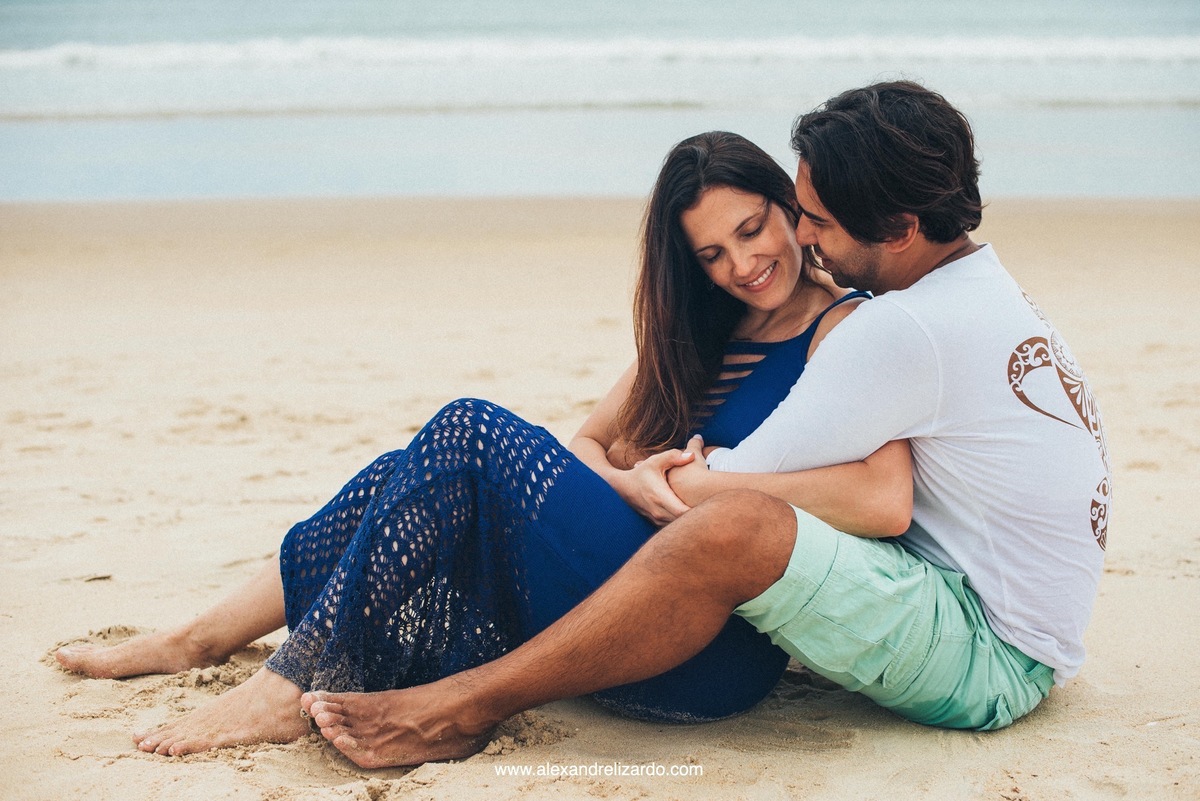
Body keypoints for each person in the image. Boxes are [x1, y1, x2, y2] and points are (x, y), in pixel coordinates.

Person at [295, 81, 1111, 769]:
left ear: (897, 229)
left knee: (738, 527)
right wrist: (666, 476)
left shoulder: (898, 330)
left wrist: (669, 475)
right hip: (1007, 624)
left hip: (990, 653)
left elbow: (718, 495)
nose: (806, 237)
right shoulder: (977, 285)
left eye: (816, 219)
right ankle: (263, 641)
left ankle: (460, 705)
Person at [55, 131, 914, 757]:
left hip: (712, 651)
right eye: (713, 253)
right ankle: (200, 639)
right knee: (404, 472)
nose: (743, 264)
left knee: (471, 431)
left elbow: (883, 498)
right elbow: (585, 445)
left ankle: (288, 680)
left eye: (755, 228)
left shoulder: (844, 330)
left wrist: (701, 490)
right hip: (607, 602)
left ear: (789, 211)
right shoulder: (699, 336)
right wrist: (634, 484)